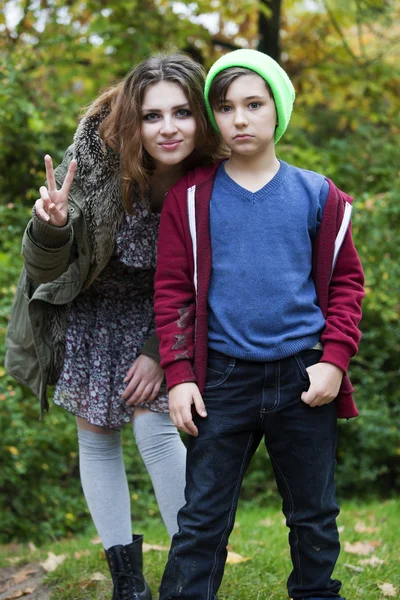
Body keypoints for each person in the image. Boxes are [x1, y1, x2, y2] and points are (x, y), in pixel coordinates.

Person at [5, 52, 222, 600]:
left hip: (166, 311)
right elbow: (47, 272)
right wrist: (50, 228)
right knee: (98, 436)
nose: (168, 128)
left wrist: (158, 349)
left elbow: (205, 277)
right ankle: (128, 582)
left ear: (201, 116)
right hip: (91, 307)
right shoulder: (96, 159)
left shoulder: (214, 176)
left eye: (181, 113)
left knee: (156, 426)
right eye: (152, 116)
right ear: (133, 119)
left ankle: (188, 571)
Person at [154, 49, 365, 600]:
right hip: (222, 380)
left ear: (279, 109)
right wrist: (178, 375)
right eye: (225, 107)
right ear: (213, 118)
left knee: (314, 515)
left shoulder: (319, 195)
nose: (240, 119)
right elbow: (174, 292)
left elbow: (346, 286)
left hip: (303, 377)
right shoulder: (192, 197)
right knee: (202, 517)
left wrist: (334, 361)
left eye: (254, 103)